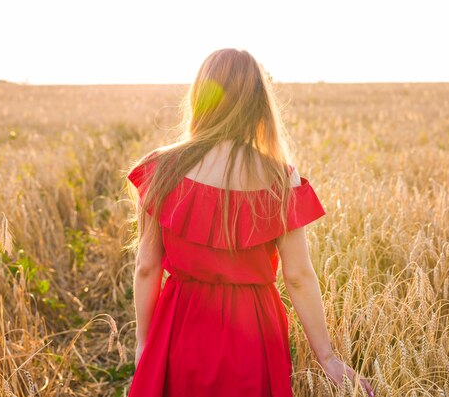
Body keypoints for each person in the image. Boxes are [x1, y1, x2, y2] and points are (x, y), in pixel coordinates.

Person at [125, 48, 374, 397]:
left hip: (181, 324)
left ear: (200, 97)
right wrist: (327, 356)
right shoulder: (279, 177)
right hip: (253, 332)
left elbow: (146, 268)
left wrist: (143, 344)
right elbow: (299, 276)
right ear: (258, 102)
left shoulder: (161, 168)